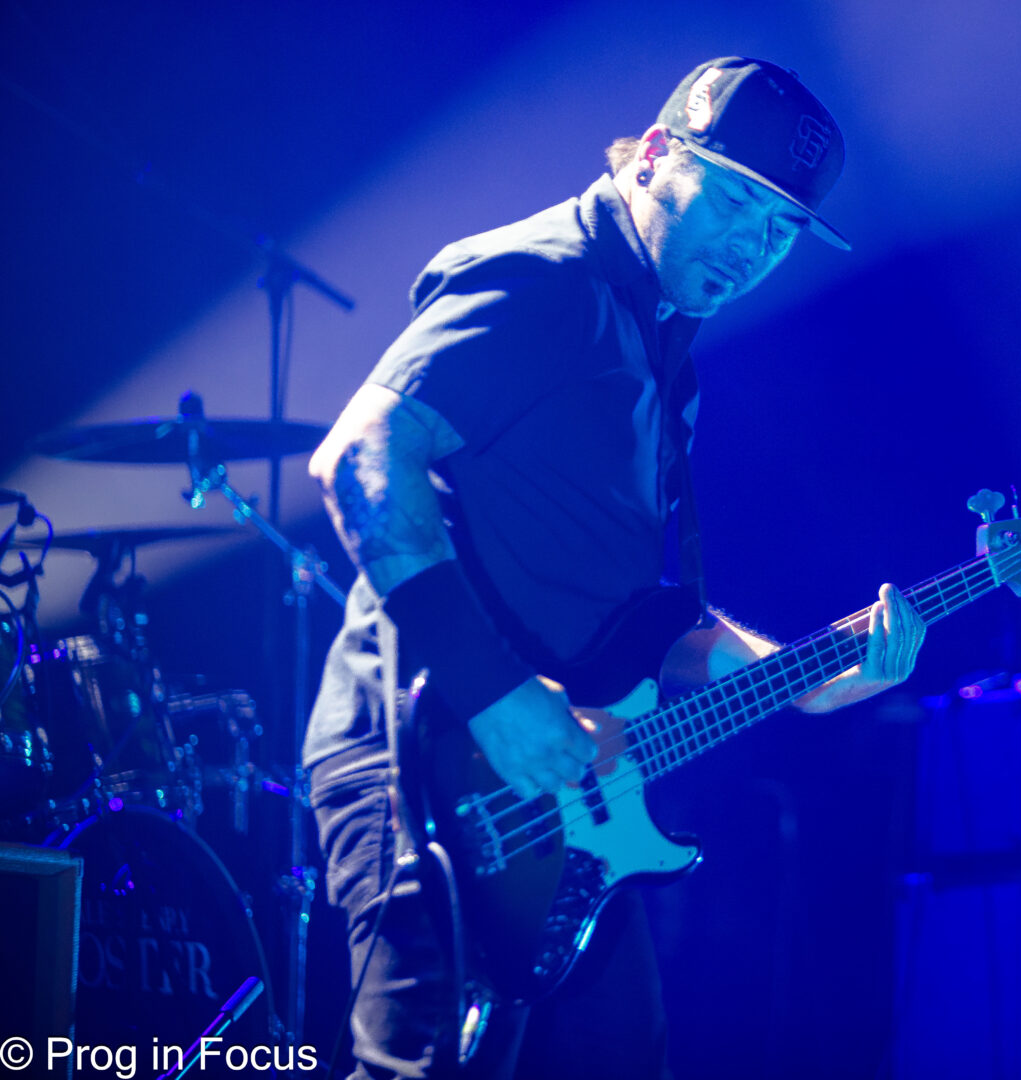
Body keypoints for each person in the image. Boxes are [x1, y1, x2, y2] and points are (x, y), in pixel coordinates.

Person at [303, 57, 925, 1079]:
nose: (754, 246)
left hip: (566, 806)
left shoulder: (668, 365)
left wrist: (804, 677)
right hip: (430, 761)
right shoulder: (542, 281)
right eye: (736, 202)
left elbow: (640, 623)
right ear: (653, 156)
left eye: (781, 229)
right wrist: (496, 696)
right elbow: (360, 460)